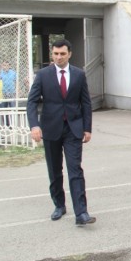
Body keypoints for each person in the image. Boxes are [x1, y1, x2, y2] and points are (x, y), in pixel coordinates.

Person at [26, 39, 95, 225]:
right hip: (50, 128)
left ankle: (81, 212)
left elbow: (86, 103)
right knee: (55, 170)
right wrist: (34, 125)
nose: (59, 57)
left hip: (73, 129)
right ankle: (59, 205)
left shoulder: (79, 75)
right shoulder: (43, 75)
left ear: (69, 54)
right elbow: (31, 101)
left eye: (62, 54)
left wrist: (87, 128)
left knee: (75, 170)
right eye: (56, 54)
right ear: (52, 54)